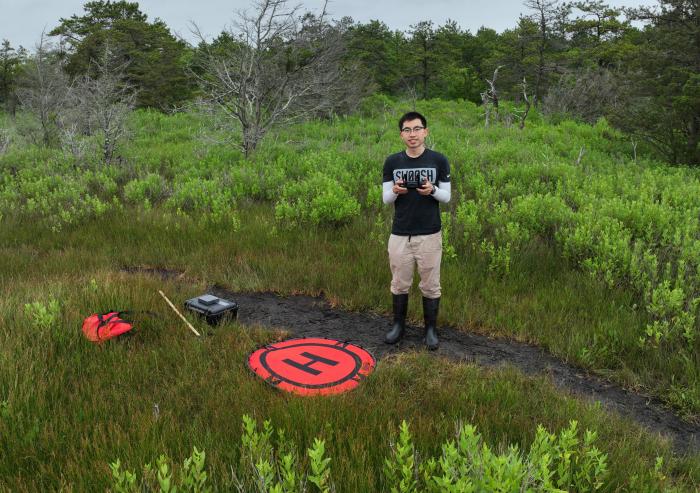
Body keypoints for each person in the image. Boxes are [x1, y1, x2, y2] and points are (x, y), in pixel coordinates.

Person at [382, 111, 451, 350]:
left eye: (417, 129)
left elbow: (447, 196)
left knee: (431, 284)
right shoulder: (392, 162)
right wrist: (396, 192)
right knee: (400, 282)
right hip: (400, 233)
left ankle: (430, 329)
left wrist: (432, 190)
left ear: (425, 132)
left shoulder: (439, 160)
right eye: (407, 130)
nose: (413, 134)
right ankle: (398, 326)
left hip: (430, 233)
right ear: (401, 134)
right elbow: (385, 199)